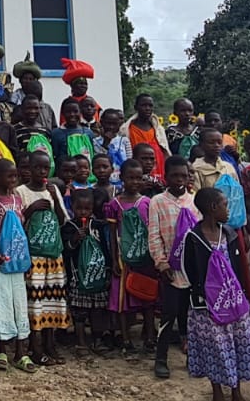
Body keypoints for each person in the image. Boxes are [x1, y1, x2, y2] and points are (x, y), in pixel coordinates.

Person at [181, 187, 250, 401]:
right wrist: (204, 298)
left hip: (233, 301)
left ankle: (237, 393)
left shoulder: (229, 234)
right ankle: (217, 394)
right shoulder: (194, 237)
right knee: (216, 349)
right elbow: (189, 272)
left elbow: (239, 268)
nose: (228, 209)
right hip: (207, 305)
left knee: (238, 343)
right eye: (225, 205)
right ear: (213, 208)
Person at [148, 155, 198, 379]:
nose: (179, 180)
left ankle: (193, 358)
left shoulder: (195, 201)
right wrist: (161, 263)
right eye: (174, 175)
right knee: (168, 314)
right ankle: (161, 358)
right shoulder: (157, 201)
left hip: (192, 268)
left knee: (191, 314)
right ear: (166, 177)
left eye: (183, 176)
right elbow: (155, 235)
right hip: (170, 267)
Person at [0, 158, 33, 372]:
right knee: (0, 302)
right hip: (0, 260)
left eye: (15, 176)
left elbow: (22, 230)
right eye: (9, 176)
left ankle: (21, 351)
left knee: (19, 303)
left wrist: (26, 259)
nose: (13, 180)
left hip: (18, 260)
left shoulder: (17, 199)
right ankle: (1, 349)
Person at [19, 154, 69, 366]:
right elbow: (17, 223)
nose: (42, 172)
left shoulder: (53, 189)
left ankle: (50, 344)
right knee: (35, 302)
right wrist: (30, 210)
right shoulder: (21, 191)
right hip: (34, 256)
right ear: (29, 168)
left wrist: (54, 198)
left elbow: (61, 219)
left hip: (53, 254)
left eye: (45, 168)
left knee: (52, 300)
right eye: (37, 167)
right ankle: (35, 347)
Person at [104, 160, 155, 357]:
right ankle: (125, 339)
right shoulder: (114, 204)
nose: (135, 182)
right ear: (122, 178)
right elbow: (112, 234)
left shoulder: (148, 203)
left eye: (138, 178)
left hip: (144, 258)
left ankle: (150, 337)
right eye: (130, 178)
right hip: (123, 259)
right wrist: (114, 260)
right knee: (121, 300)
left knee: (147, 297)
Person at [61, 190, 110, 355]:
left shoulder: (99, 226)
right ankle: (81, 342)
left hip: (97, 275)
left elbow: (106, 248)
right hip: (78, 277)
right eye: (79, 208)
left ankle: (98, 339)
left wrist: (108, 269)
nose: (83, 212)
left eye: (87, 208)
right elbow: (65, 251)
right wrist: (74, 240)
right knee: (79, 312)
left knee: (98, 311)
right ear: (72, 207)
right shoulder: (68, 228)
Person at [126, 94, 169, 182]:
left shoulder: (158, 130)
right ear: (136, 107)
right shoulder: (127, 129)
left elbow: (165, 151)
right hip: (137, 173)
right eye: (143, 105)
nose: (147, 108)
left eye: (150, 105)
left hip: (158, 171)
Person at [58, 58, 100, 125]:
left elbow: (98, 121)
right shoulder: (67, 102)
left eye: (85, 84)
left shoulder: (91, 101)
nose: (83, 86)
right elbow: (63, 122)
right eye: (80, 83)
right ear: (72, 86)